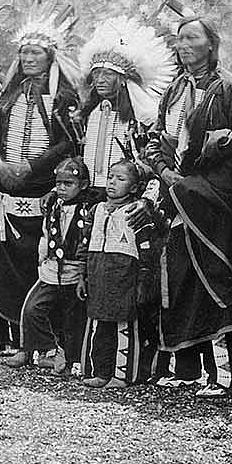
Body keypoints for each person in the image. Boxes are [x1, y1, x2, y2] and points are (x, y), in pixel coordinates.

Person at [145, 16, 232, 397]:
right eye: (180, 39)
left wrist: (200, 182)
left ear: (211, 44)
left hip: (212, 203)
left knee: (212, 278)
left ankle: (221, 375)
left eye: (192, 37)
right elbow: (156, 142)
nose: (184, 44)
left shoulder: (229, 88)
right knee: (178, 277)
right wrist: (163, 173)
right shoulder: (174, 90)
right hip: (176, 197)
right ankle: (188, 368)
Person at [0, 14, 80, 349]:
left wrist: (31, 166)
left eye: (37, 54)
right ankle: (12, 339)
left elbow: (67, 143)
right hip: (5, 192)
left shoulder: (62, 96)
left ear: (50, 57)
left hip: (41, 190)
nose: (29, 59)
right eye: (24, 54)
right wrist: (0, 165)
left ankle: (46, 341)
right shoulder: (9, 95)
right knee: (5, 267)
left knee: (41, 263)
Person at [6, 154, 97, 375]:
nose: (62, 189)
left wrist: (84, 272)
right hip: (50, 270)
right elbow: (46, 235)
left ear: (83, 185)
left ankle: (70, 358)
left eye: (69, 184)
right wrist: (42, 258)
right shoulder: (53, 205)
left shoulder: (91, 208)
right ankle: (36, 348)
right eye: (58, 183)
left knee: (73, 318)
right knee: (32, 308)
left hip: (74, 273)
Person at [80, 159, 164, 388]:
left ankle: (122, 375)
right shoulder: (95, 210)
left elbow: (147, 249)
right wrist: (82, 276)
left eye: (120, 179)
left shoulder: (136, 212)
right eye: (110, 177)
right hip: (98, 275)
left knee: (123, 327)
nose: (112, 183)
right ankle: (99, 371)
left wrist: (144, 281)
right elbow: (84, 245)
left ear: (135, 187)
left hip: (125, 278)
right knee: (98, 325)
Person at [71, 16, 175, 189]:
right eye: (96, 74)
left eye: (108, 74)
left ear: (122, 80)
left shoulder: (141, 118)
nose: (100, 80)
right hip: (87, 192)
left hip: (128, 195)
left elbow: (151, 161)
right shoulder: (87, 114)